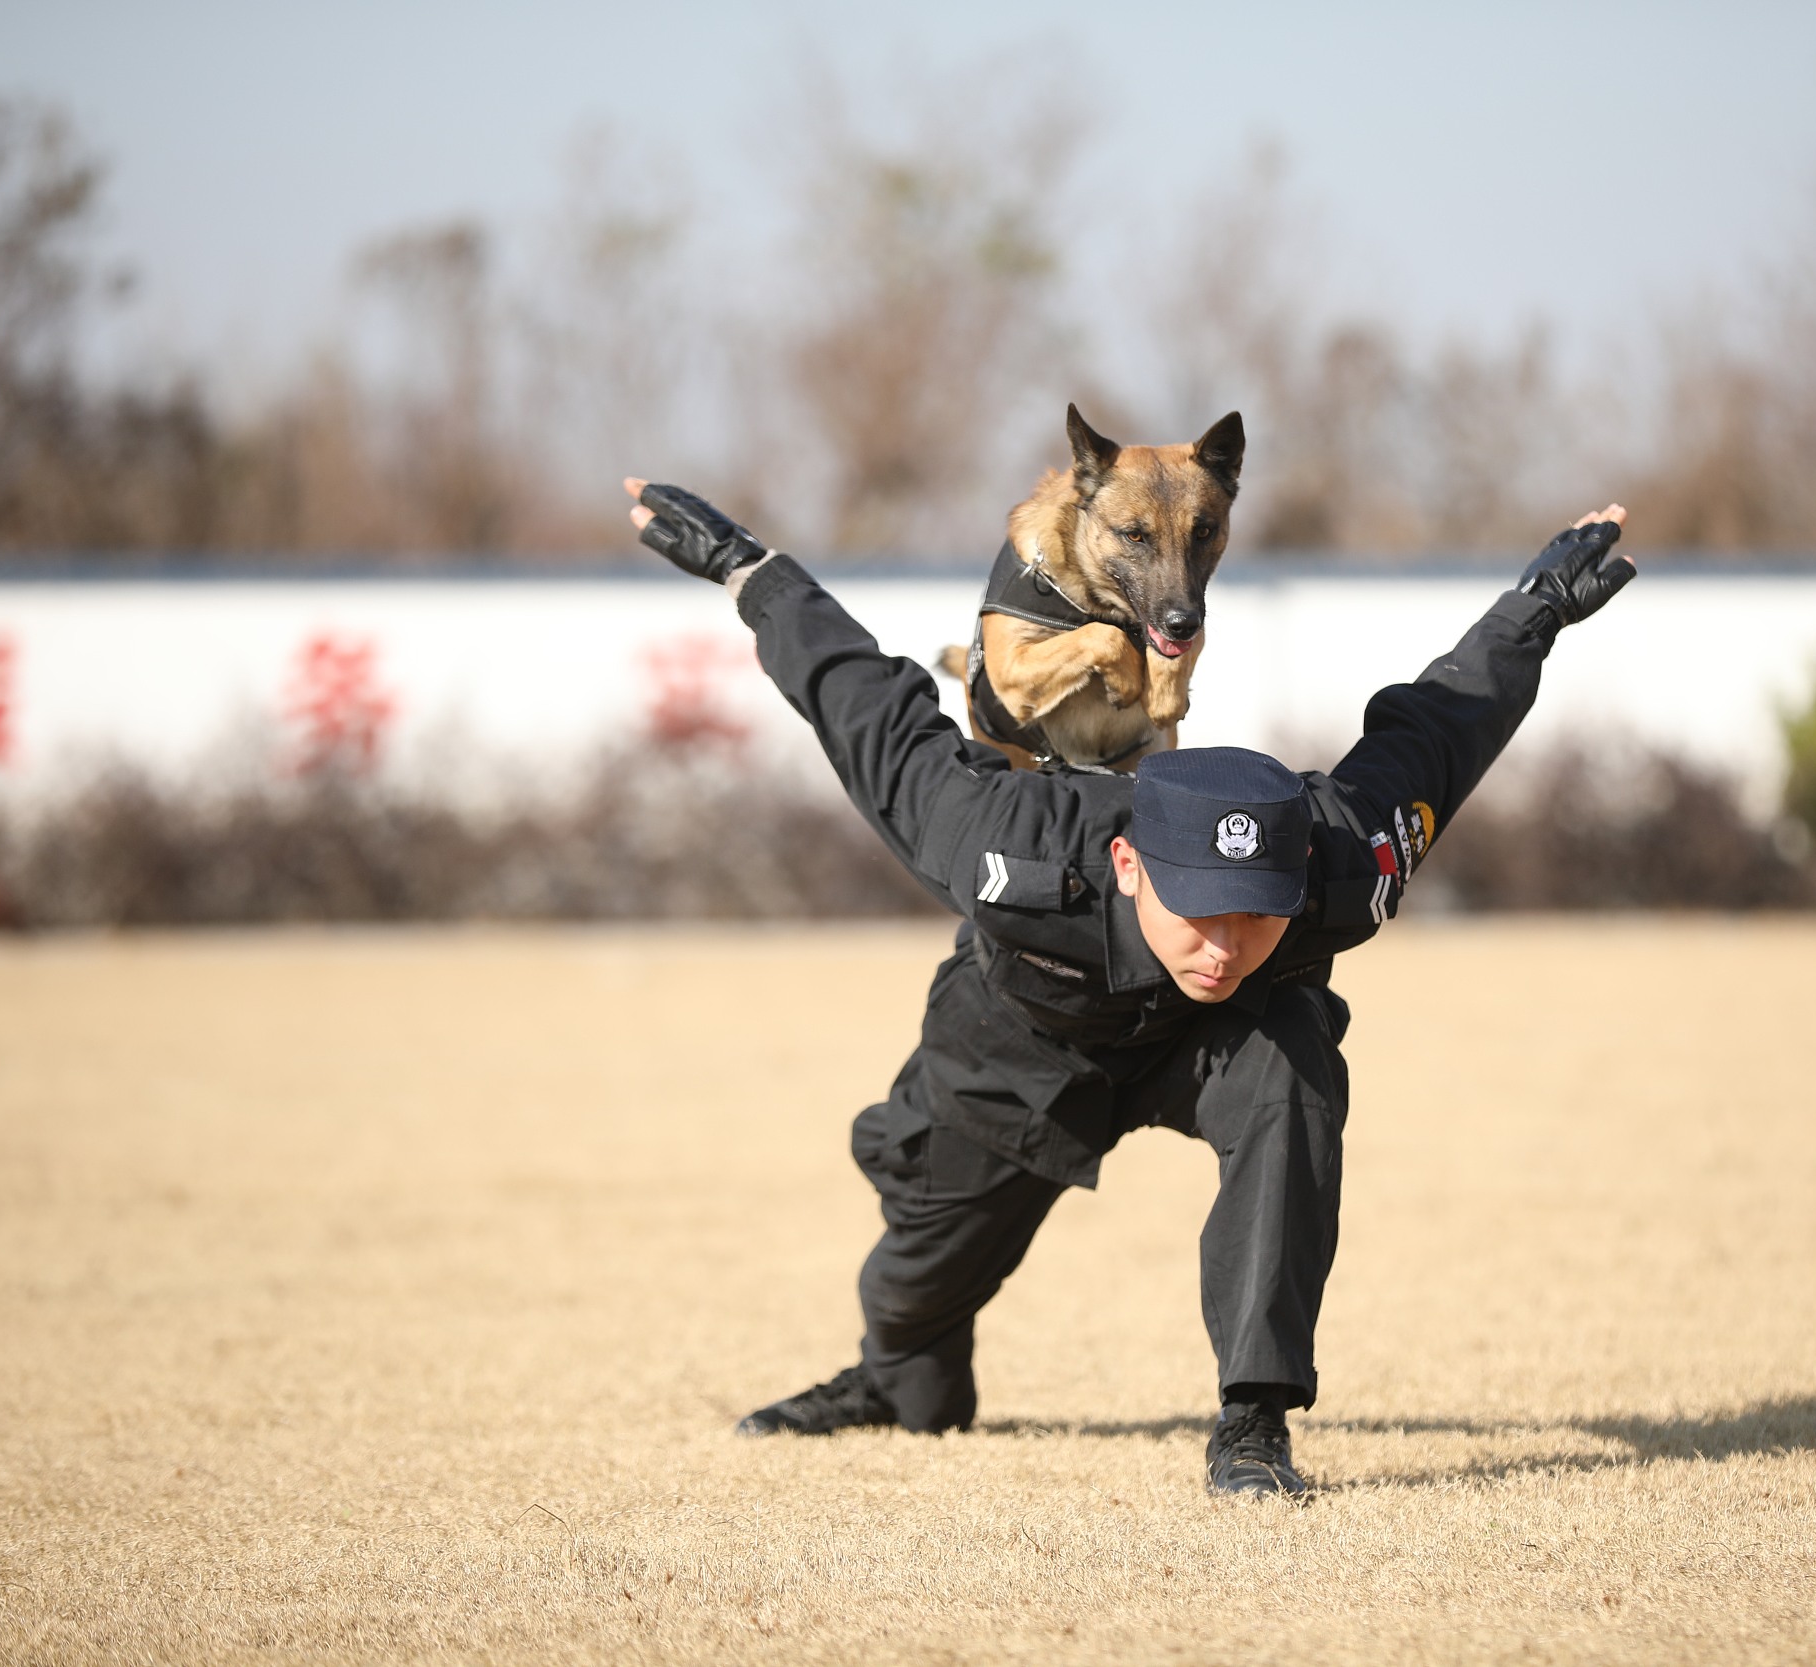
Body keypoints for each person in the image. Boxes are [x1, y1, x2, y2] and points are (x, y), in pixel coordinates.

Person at [623, 476, 1635, 1497]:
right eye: (1201, 911)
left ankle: (1253, 1419)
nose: (1224, 944)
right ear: (1128, 865)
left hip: (1222, 1041)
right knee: (913, 1289)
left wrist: (1535, 610)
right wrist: (753, 572)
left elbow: (1437, 732)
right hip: (1023, 1036)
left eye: (1255, 912)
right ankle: (895, 1376)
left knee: (1290, 1078)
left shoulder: (1340, 857)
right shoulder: (1009, 846)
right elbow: (869, 710)